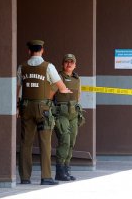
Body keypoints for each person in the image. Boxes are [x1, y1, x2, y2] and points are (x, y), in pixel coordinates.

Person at [17, 40, 71, 185]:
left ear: (29, 51)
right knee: (45, 142)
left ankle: (24, 178)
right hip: (43, 110)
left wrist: (17, 108)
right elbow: (61, 86)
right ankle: (46, 177)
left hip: (26, 107)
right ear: (42, 50)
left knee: (25, 143)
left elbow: (18, 90)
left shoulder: (22, 67)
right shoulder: (48, 67)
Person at [52, 54, 85, 181]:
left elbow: (78, 96)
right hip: (61, 113)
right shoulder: (58, 77)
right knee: (64, 140)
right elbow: (50, 94)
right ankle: (60, 172)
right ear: (62, 64)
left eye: (72, 62)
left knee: (71, 142)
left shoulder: (77, 78)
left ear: (75, 65)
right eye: (66, 62)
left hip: (73, 114)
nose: (69, 64)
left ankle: (66, 169)